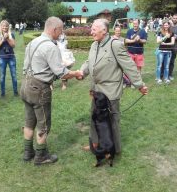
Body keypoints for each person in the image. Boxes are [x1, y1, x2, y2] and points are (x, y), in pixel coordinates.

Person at [79, 18, 148, 155]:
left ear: (104, 31)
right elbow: (89, 62)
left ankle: (113, 150)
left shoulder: (115, 45)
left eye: (94, 29)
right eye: (91, 28)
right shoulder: (94, 45)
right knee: (95, 117)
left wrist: (139, 85)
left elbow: (129, 66)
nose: (91, 31)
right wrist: (82, 71)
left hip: (110, 92)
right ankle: (94, 144)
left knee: (111, 121)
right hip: (96, 91)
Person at [21, 16, 82, 165]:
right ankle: (41, 156)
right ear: (54, 29)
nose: (61, 34)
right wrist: (76, 73)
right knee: (43, 124)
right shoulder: (50, 46)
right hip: (39, 88)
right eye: (60, 30)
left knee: (29, 121)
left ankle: (28, 152)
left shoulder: (33, 42)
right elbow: (62, 73)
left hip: (25, 85)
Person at [0, 20, 18, 97]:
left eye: (6, 26)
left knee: (14, 75)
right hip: (2, 58)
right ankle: (2, 94)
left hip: (11, 57)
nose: (5, 27)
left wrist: (8, 38)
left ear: (8, 27)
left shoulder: (12, 34)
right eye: (3, 26)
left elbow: (13, 45)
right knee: (2, 76)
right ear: (1, 27)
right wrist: (3, 39)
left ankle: (15, 92)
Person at [168, 14, 177, 80]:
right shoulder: (169, 26)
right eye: (174, 18)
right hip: (167, 45)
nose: (175, 19)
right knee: (165, 60)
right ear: (172, 18)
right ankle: (163, 74)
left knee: (172, 61)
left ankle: (170, 74)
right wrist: (174, 36)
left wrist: (172, 36)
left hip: (174, 46)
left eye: (176, 18)